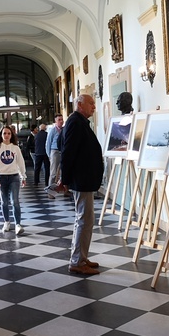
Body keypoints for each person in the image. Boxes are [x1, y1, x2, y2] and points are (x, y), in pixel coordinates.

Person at [60, 94, 104, 275]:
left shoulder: (80, 121)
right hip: (81, 180)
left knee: (87, 220)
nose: (94, 106)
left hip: (85, 179)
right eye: (91, 103)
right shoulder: (75, 122)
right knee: (83, 220)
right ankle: (77, 260)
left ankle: (82, 256)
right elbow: (67, 152)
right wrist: (65, 179)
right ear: (80, 104)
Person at [0, 125, 27, 234]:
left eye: (9, 133)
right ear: (1, 135)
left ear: (12, 135)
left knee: (15, 201)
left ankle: (18, 225)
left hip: (14, 177)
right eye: (4, 133)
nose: (6, 135)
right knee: (4, 202)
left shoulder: (15, 148)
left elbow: (21, 163)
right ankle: (6, 222)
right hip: (2, 177)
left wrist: (23, 176)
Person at [45, 114, 64, 189]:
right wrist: (49, 155)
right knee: (53, 173)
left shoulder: (63, 129)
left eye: (62, 119)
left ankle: (65, 190)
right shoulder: (53, 130)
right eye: (59, 120)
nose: (61, 121)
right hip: (54, 152)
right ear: (55, 121)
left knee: (64, 172)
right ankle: (51, 191)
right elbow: (48, 143)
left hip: (62, 152)